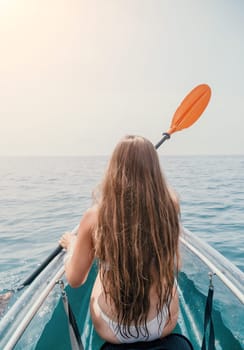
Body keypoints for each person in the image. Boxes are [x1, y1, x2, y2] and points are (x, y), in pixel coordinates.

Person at [59, 135, 193, 349]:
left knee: (103, 273)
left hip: (112, 328)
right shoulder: (170, 208)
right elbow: (174, 264)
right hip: (162, 322)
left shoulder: (95, 217)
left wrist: (73, 245)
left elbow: (75, 280)